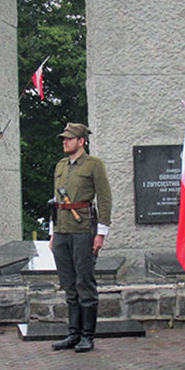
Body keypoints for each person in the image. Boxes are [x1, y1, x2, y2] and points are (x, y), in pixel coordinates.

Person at [50, 123, 112, 353]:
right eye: (64, 138)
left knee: (84, 282)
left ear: (81, 141)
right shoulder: (61, 165)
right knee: (68, 284)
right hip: (62, 229)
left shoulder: (94, 165)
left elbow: (105, 199)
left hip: (84, 229)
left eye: (69, 138)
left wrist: (101, 233)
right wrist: (52, 232)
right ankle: (73, 334)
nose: (65, 142)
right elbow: (55, 200)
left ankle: (87, 336)